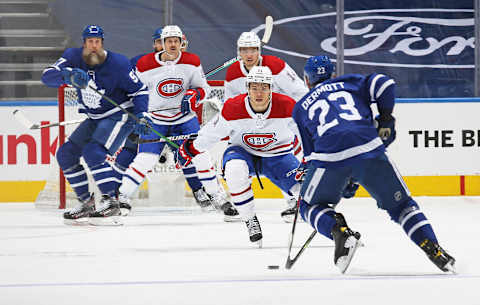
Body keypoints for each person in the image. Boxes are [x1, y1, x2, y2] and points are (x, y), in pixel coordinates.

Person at [292, 55, 456, 273]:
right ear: (333, 74)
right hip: (368, 148)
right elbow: (385, 84)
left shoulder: (301, 107)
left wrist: (341, 180)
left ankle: (338, 230)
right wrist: (386, 117)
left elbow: (311, 156)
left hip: (329, 159)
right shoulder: (350, 83)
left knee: (308, 206)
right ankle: (433, 248)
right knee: (402, 207)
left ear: (306, 80)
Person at [118, 25, 239, 221]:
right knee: (145, 159)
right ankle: (123, 197)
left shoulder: (192, 61)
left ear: (181, 43)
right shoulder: (145, 64)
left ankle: (218, 197)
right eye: (169, 41)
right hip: (155, 119)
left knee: (201, 157)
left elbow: (204, 89)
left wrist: (194, 95)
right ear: (162, 44)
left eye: (176, 41)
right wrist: (139, 114)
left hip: (184, 120)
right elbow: (135, 91)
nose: (173, 44)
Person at [176, 66, 301, 247]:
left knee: (304, 193)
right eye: (254, 87)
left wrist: (312, 159)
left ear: (271, 89)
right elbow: (212, 133)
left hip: (278, 154)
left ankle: (334, 228)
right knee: (234, 171)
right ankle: (250, 219)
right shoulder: (233, 107)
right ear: (247, 88)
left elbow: (307, 135)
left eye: (264, 87)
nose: (259, 92)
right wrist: (191, 149)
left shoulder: (288, 106)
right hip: (242, 152)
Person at [41, 25, 151, 225]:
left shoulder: (118, 63)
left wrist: (142, 115)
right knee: (66, 155)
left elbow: (140, 91)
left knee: (94, 152)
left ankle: (111, 202)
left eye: (98, 42)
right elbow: (47, 76)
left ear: (102, 43)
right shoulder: (72, 57)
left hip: (119, 114)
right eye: (90, 42)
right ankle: (86, 202)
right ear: (84, 43)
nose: (94, 46)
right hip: (94, 117)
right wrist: (67, 75)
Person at [224, 31, 309, 222]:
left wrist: (299, 116)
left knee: (285, 158)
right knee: (238, 163)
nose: (249, 54)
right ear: (239, 52)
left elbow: (299, 91)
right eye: (245, 50)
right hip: (252, 122)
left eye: (253, 49)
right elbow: (230, 103)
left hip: (280, 118)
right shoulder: (233, 73)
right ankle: (242, 203)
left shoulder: (276, 66)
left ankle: (294, 201)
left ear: (259, 51)